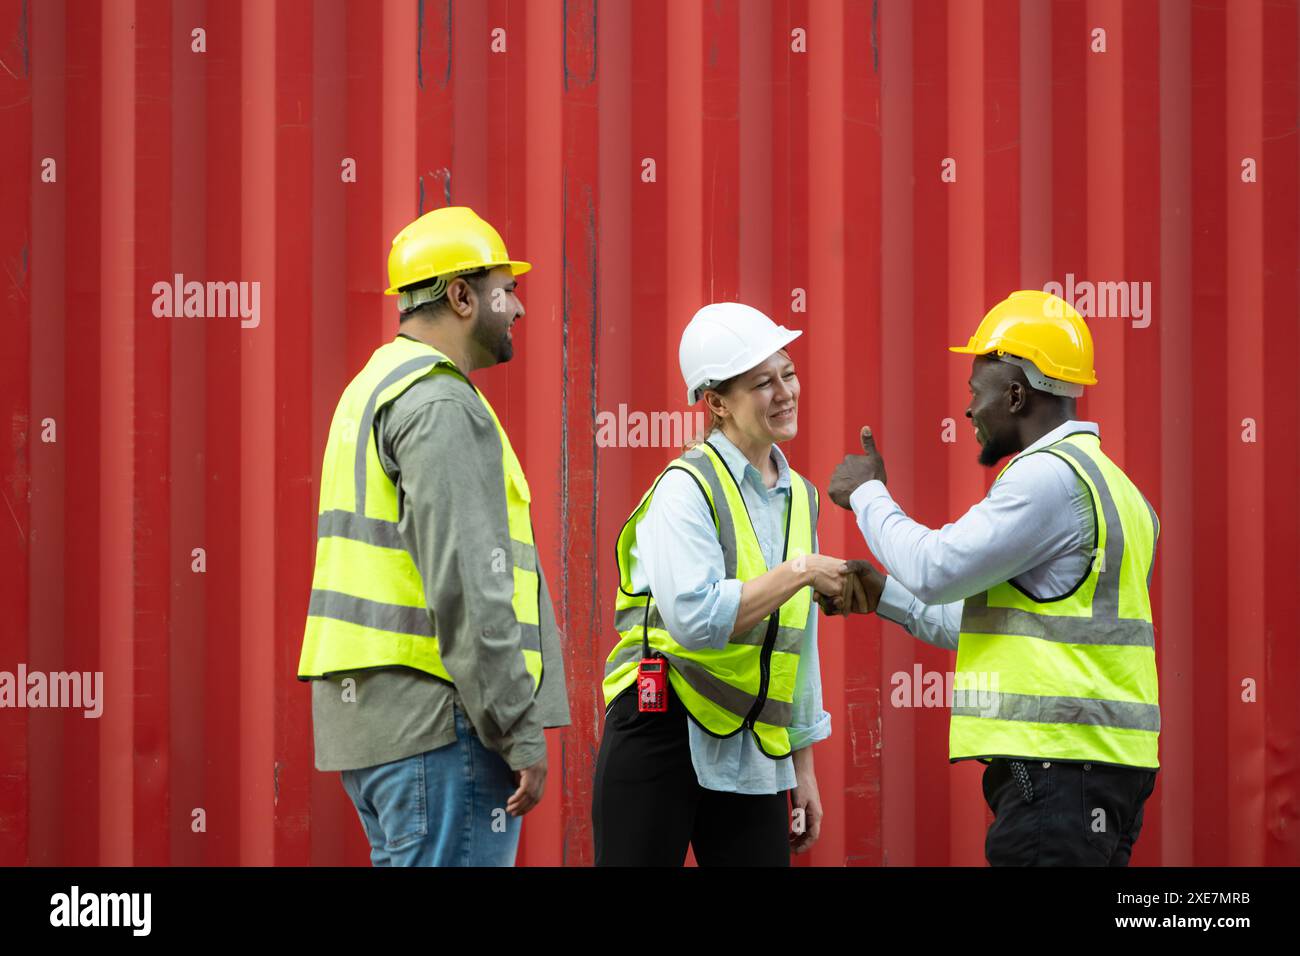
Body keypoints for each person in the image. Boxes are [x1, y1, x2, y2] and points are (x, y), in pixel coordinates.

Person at [829, 290, 1160, 866]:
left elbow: (935, 569)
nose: (968, 412)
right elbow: (1002, 627)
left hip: (1058, 768)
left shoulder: (1046, 480)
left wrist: (866, 493)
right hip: (1102, 768)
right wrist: (883, 594)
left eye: (974, 393)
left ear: (1016, 394)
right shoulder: (1119, 490)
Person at [297, 206, 570, 866]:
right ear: (461, 295)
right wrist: (516, 726)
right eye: (507, 290)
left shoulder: (372, 389)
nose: (519, 310)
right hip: (440, 726)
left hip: (376, 731)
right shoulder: (440, 404)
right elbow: (471, 584)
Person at [592, 302, 862, 866]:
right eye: (763, 383)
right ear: (716, 403)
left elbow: (798, 646)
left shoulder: (801, 498)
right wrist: (803, 570)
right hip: (662, 724)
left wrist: (801, 767)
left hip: (753, 746)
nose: (785, 392)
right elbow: (695, 621)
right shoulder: (684, 489)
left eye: (787, 372)